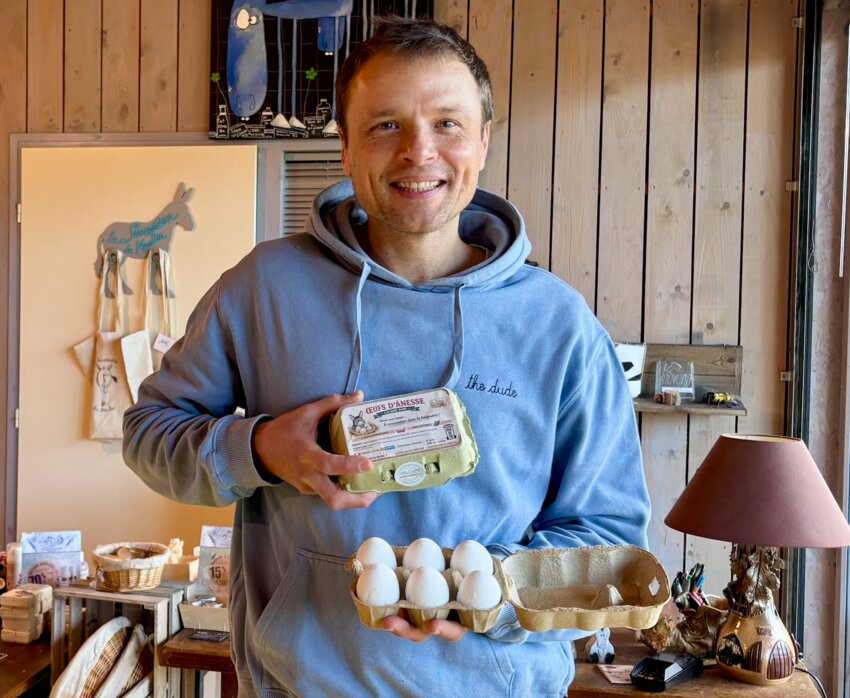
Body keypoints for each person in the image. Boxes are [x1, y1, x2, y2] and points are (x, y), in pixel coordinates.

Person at [123, 16, 650, 698]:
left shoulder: (559, 324)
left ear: (483, 140)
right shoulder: (264, 288)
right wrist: (257, 449)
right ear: (344, 146)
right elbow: (148, 433)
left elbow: (606, 533)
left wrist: (491, 595)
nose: (417, 151)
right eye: (385, 126)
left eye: (447, 124)